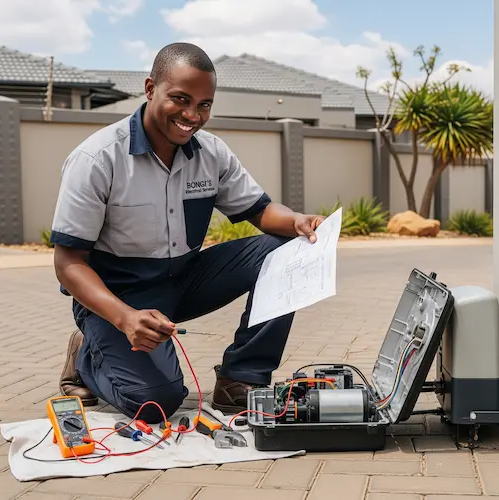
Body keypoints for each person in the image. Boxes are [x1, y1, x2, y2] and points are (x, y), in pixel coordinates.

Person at [51, 42, 325, 424]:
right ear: (150, 89)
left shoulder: (211, 153)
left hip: (183, 278)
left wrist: (296, 220)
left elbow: (261, 211)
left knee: (288, 251)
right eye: (180, 99)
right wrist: (125, 318)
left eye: (204, 104)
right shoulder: (98, 159)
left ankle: (240, 377)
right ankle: (87, 355)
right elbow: (68, 264)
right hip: (119, 295)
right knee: (156, 404)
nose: (192, 115)